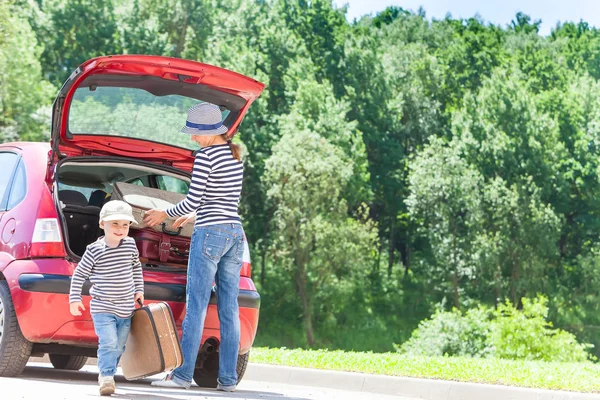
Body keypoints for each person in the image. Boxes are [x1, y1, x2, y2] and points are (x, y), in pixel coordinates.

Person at [144, 102, 245, 392]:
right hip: (235, 234)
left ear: (210, 132)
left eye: (195, 133)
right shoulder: (234, 155)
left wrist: (164, 214)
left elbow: (193, 200)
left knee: (197, 306)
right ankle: (228, 380)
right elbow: (222, 201)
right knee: (229, 311)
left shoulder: (206, 157)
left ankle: (182, 375)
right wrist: (195, 214)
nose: (192, 138)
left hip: (210, 235)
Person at [69, 200, 144, 396]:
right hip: (103, 307)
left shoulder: (130, 245)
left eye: (125, 225)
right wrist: (74, 298)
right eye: (115, 224)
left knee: (119, 345)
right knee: (109, 342)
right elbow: (79, 274)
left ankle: (109, 371)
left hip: (126, 308)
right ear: (102, 224)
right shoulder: (94, 250)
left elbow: (136, 267)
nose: (120, 229)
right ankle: (106, 376)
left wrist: (139, 289)